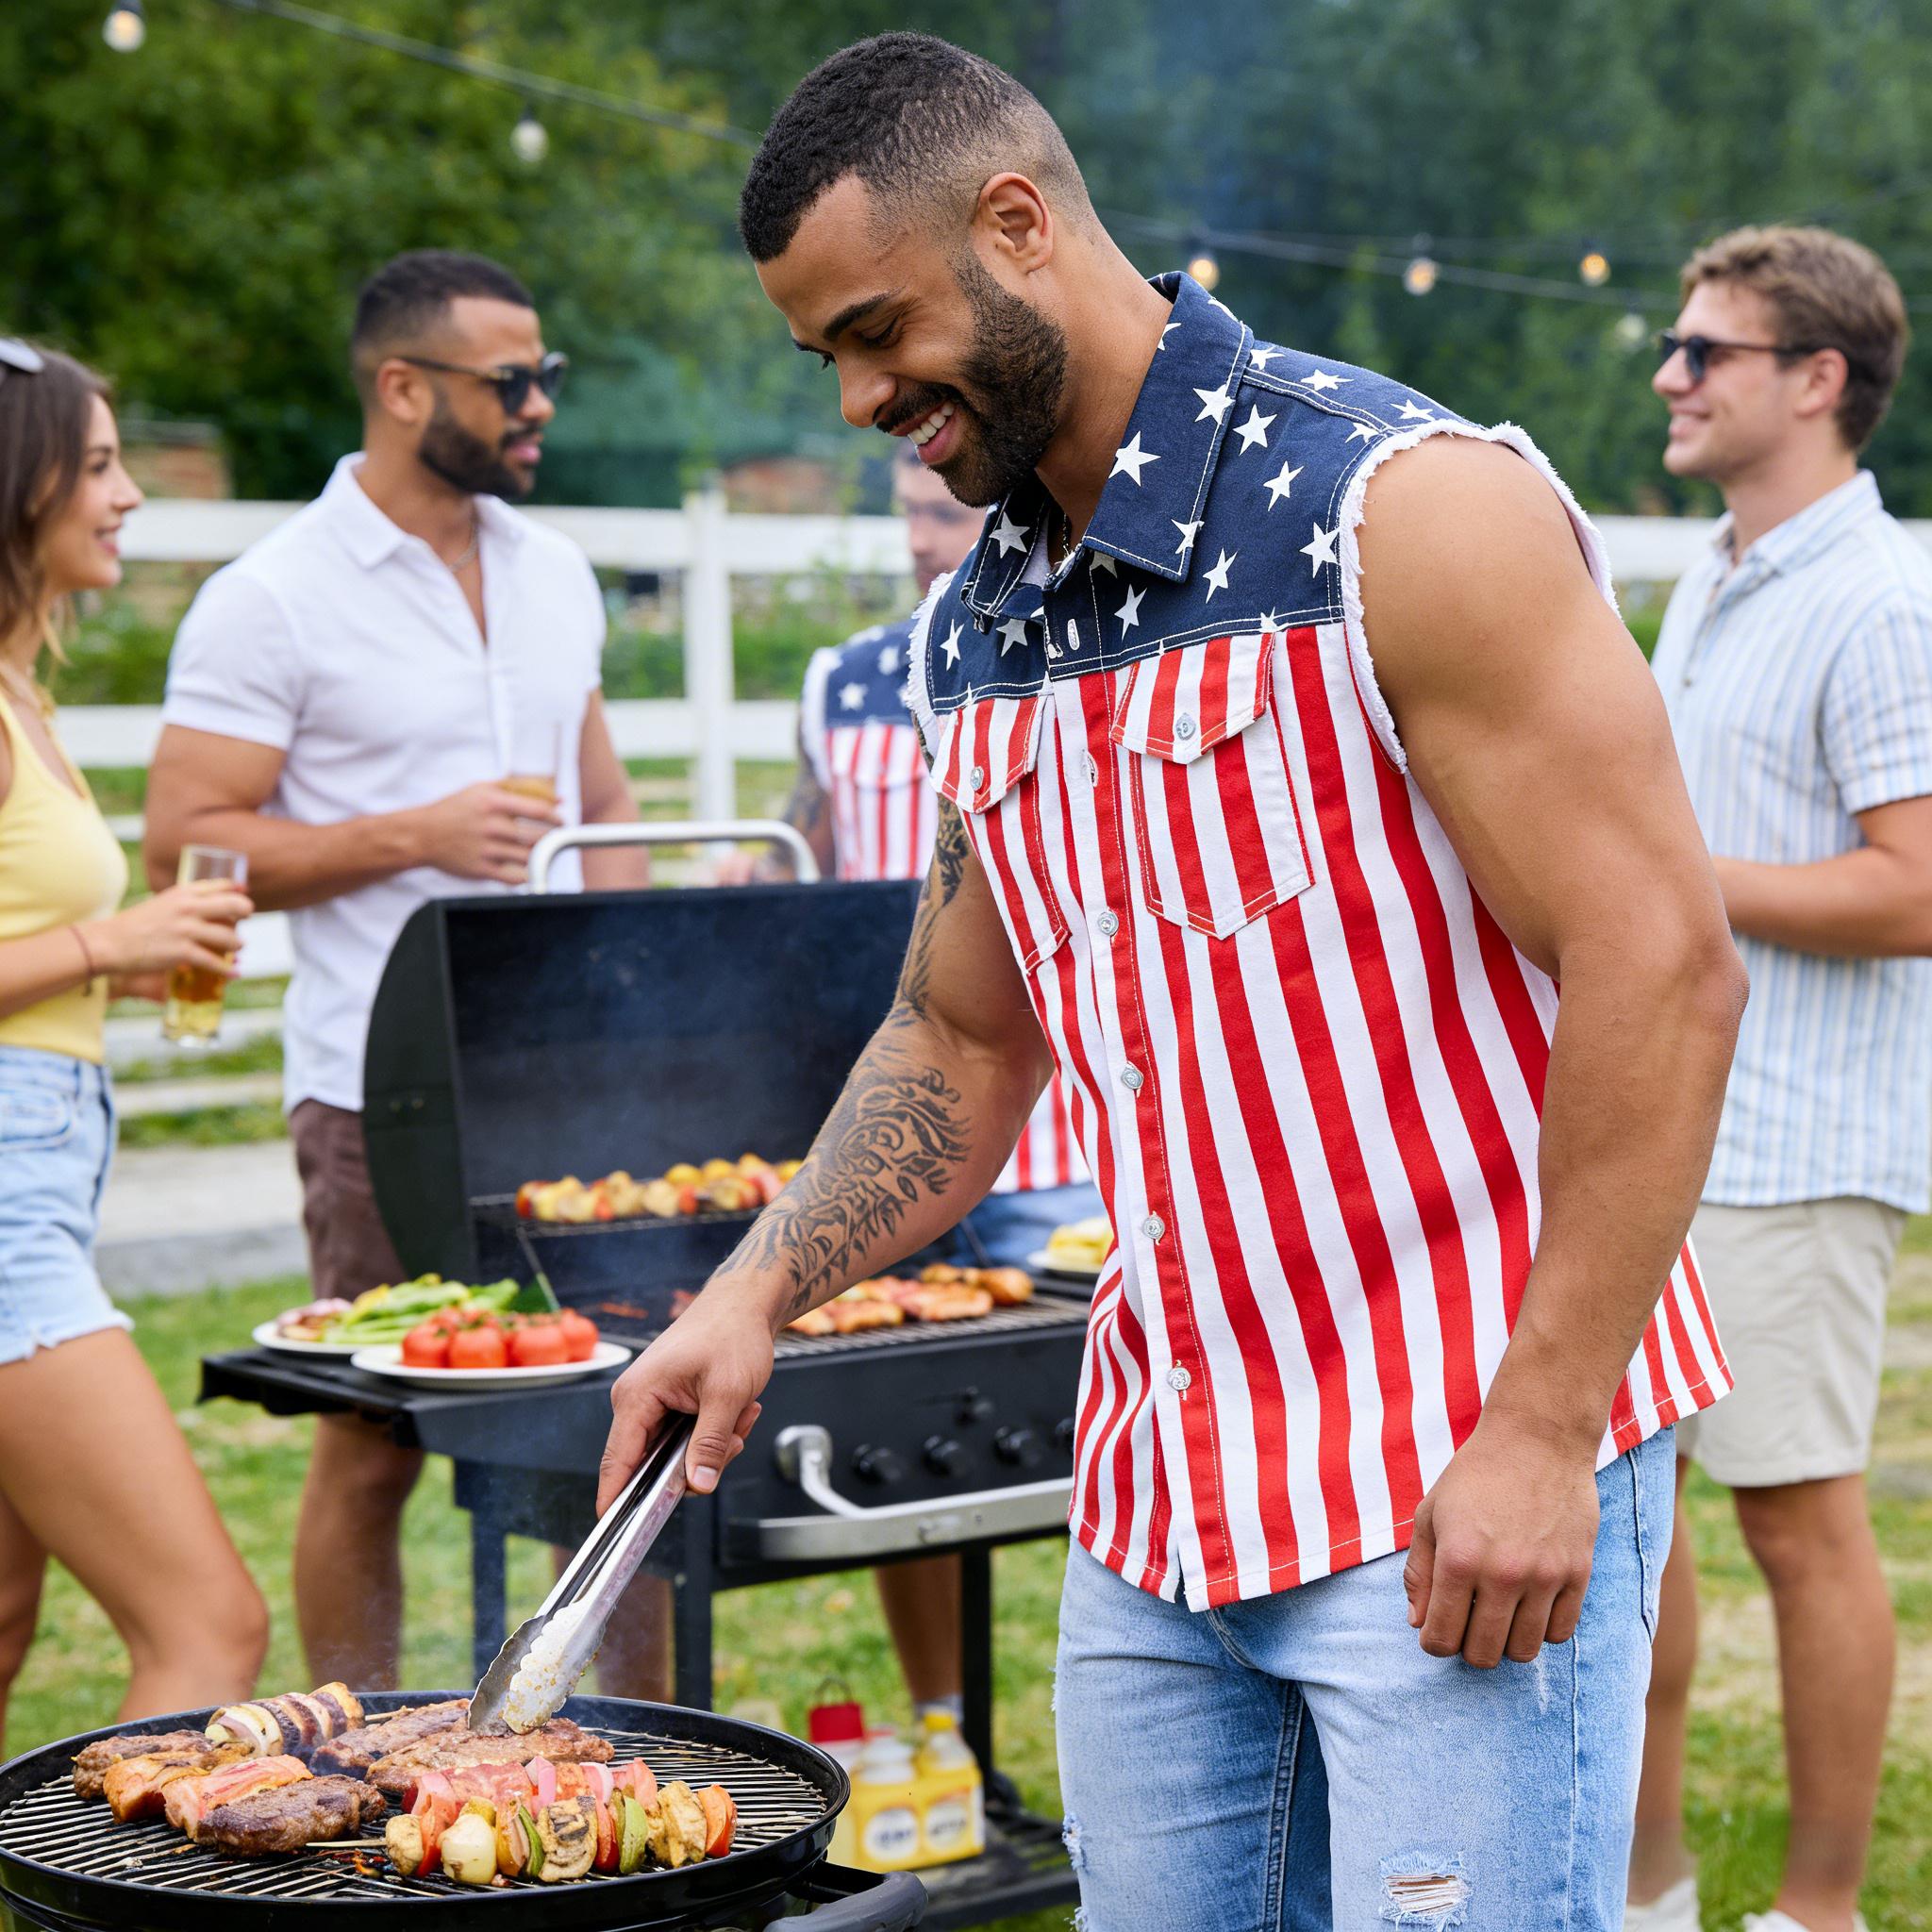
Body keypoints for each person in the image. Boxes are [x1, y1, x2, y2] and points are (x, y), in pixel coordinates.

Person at [600, 34, 1745, 1929]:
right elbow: (961, 1035)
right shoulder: (979, 623)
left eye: (879, 330)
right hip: (1161, 1491)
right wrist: (753, 1290)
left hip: (1452, 1469)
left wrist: (1544, 1430)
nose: (865, 395)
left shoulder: (1402, 509)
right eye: (828, 359)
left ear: (1019, 223)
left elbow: (1663, 967)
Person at [142, 250, 657, 1695]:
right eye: (513, 381)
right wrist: (409, 836)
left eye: (546, 375)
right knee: (370, 1451)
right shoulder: (273, 596)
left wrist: (624, 996)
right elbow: (187, 842)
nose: (539, 403)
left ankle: (631, 1764)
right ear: (403, 386)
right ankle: (358, 1748)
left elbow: (603, 806)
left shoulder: (556, 574)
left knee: (613, 1436)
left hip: (567, 1093)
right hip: (383, 1100)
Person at [1625, 228, 1930, 1932]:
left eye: (1707, 351)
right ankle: (1646, 1887)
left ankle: (1819, 1915)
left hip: (1805, 1146)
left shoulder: (1885, 600)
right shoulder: (1715, 575)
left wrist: (1671, 882)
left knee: (1801, 1530)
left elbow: (1919, 889)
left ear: (1818, 381)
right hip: (1678, 1130)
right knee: (1639, 1526)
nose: (1671, 375)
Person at [750, 435, 1104, 1721]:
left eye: (934, 510)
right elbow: (806, 852)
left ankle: (1128, 1684)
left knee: (1091, 1451)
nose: (919, 535)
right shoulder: (842, 682)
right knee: (901, 1445)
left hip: (1064, 1146)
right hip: (907, 1117)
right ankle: (944, 1721)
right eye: (900, 510)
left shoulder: (1066, 651)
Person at [0, 340, 267, 1749]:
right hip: (3, 1200)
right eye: (97, 465)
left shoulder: (20, 693)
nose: (125, 498)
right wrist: (120, 941)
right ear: (19, 480)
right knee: (208, 1627)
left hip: (39, 1169)